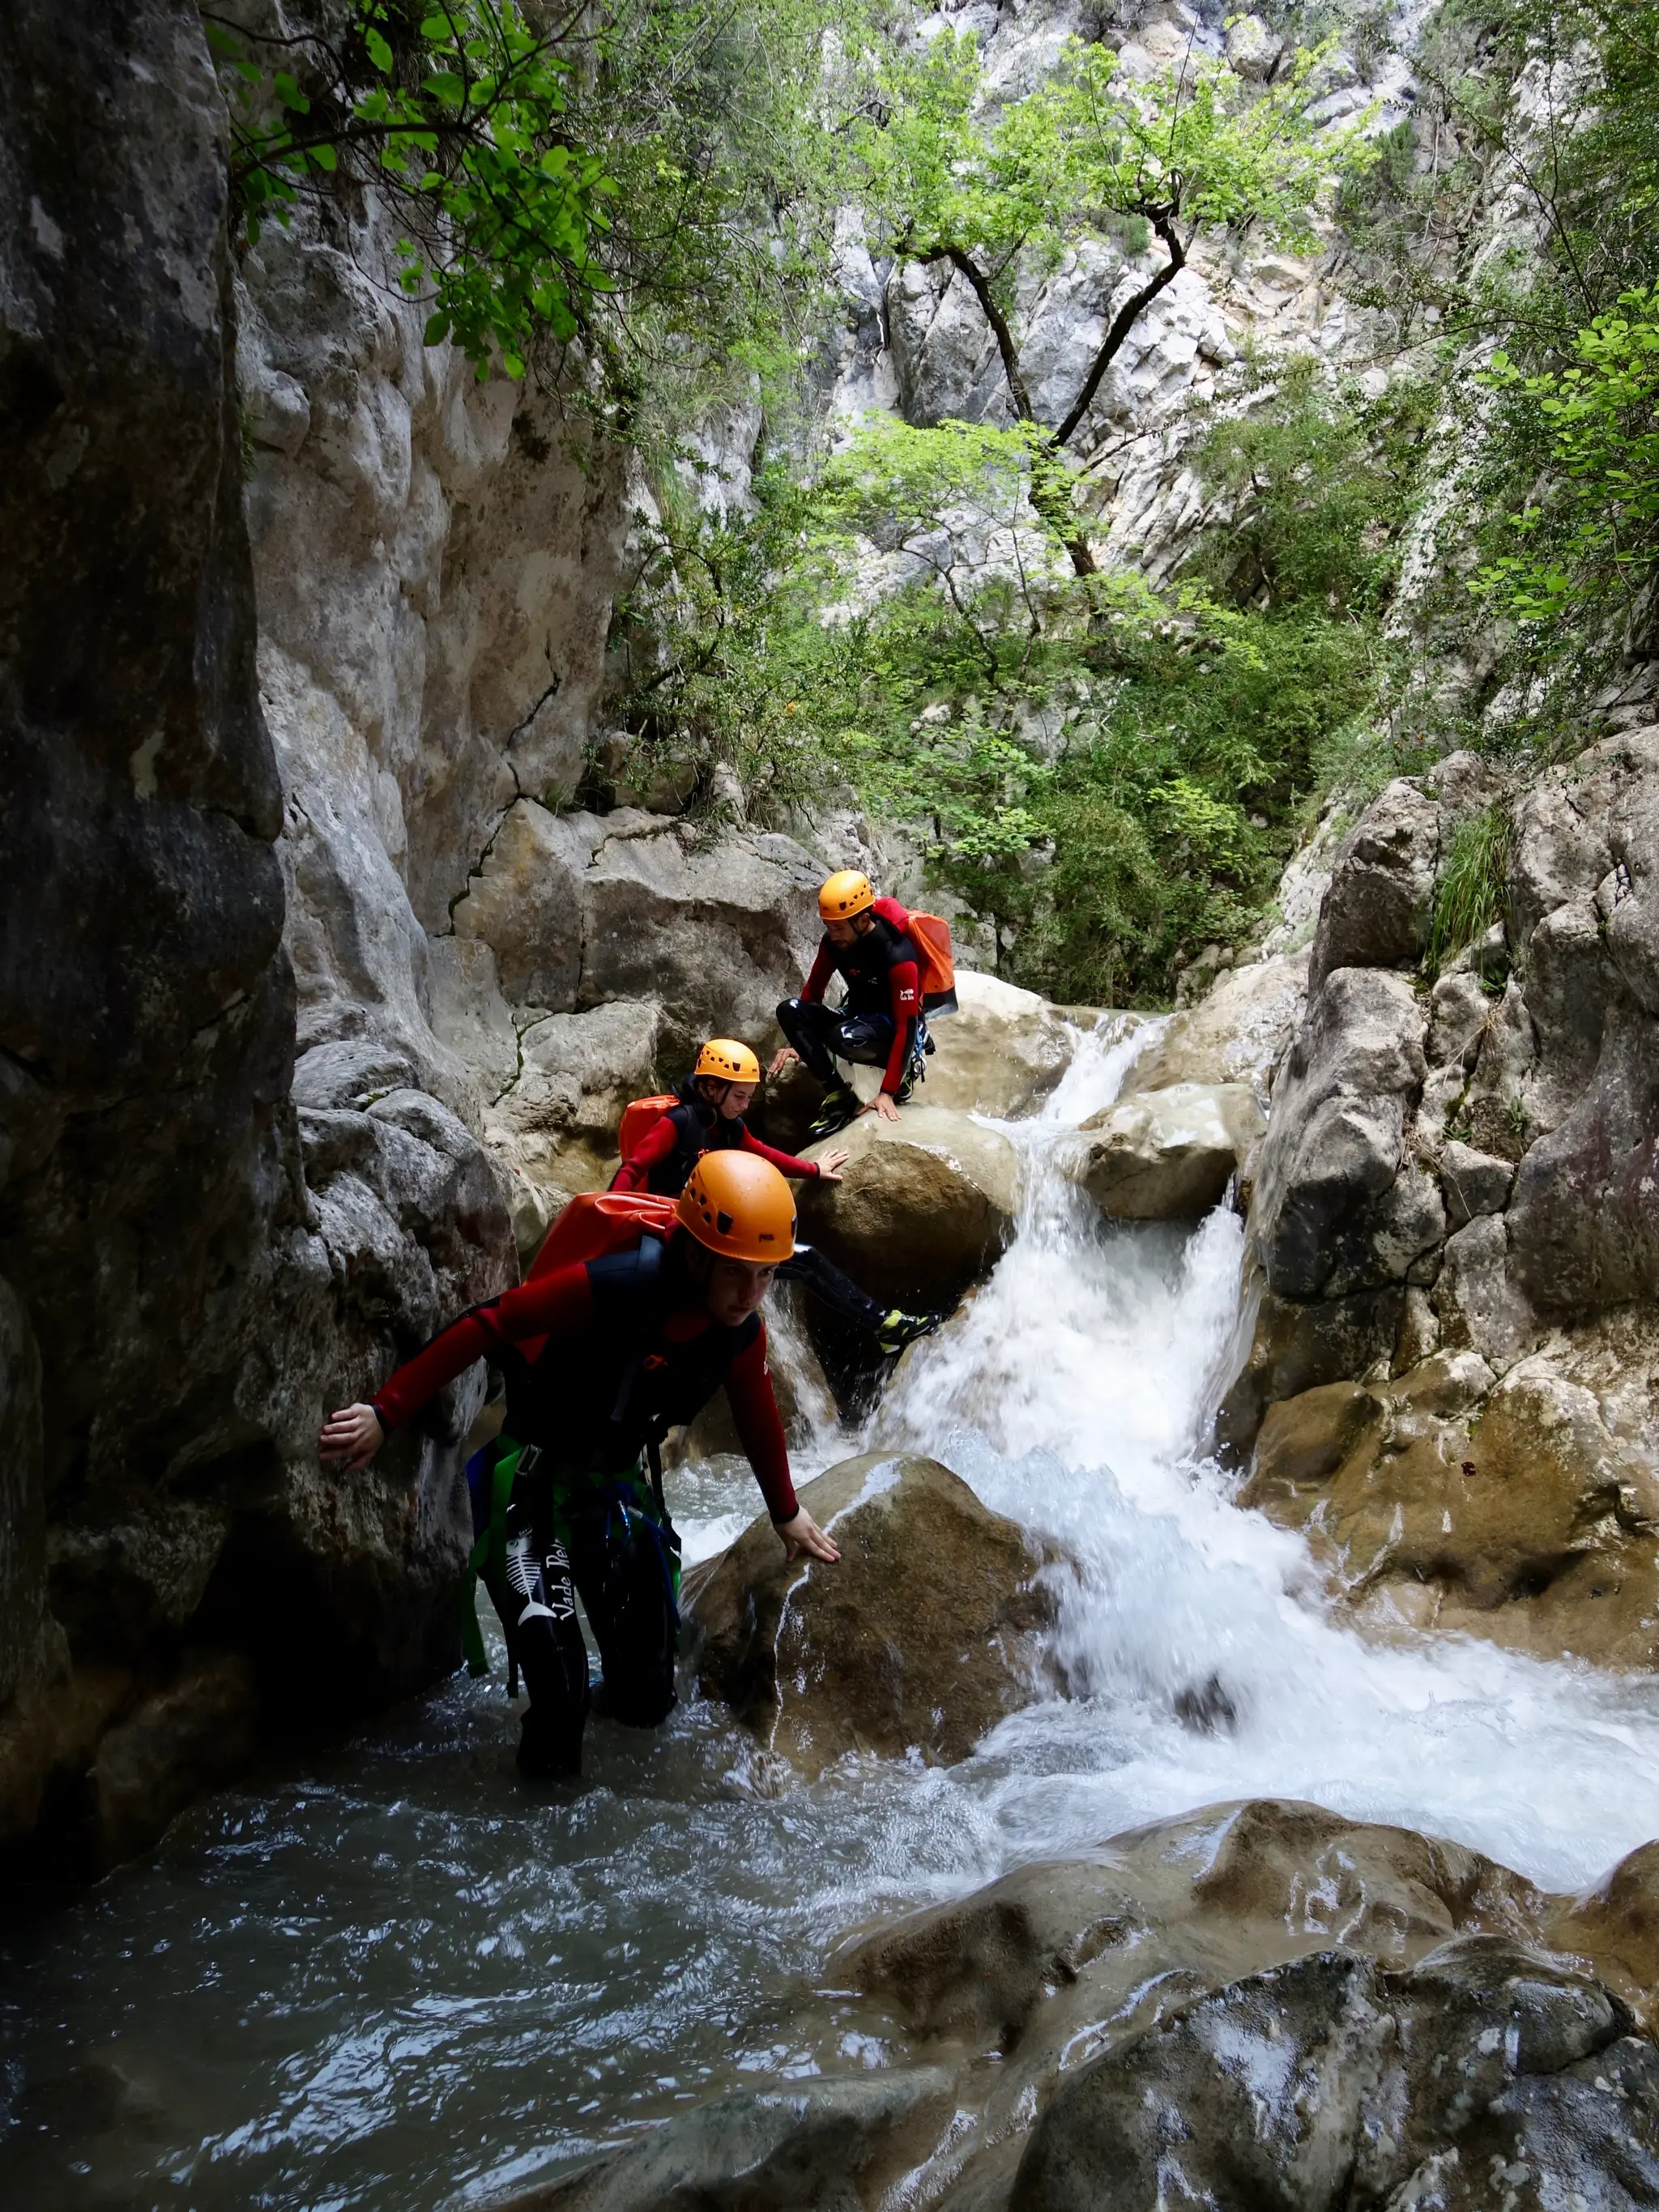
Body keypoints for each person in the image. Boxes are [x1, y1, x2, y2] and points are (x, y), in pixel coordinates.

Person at [318, 1152, 839, 1781]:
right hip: (530, 1487)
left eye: (766, 1275)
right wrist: (386, 1409)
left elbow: (757, 1413)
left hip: (614, 1494)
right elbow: (495, 1321)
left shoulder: (738, 1330)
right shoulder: (621, 1283)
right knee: (561, 1699)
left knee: (649, 1699)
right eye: (738, 1273)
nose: (751, 1294)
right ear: (698, 1253)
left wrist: (787, 1512)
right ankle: (537, 1814)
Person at [611, 1037, 945, 1357]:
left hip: (721, 1237)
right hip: (680, 1234)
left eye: (748, 1097)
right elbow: (633, 1168)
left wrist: (813, 1169)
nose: (745, 1105)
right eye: (740, 1097)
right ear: (711, 1089)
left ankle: (884, 1325)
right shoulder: (677, 1123)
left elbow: (763, 1153)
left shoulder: (730, 1126)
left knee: (808, 1258)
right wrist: (611, 1214)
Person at [771, 871, 929, 1140]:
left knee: (842, 1038)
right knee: (789, 1009)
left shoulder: (897, 953)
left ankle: (902, 1079)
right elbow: (814, 989)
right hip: (858, 1016)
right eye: (828, 927)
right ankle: (838, 1095)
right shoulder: (834, 943)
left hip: (891, 1028)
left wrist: (887, 1092)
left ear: (863, 921)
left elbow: (907, 1026)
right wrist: (803, 1044)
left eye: (838, 927)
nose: (832, 935)